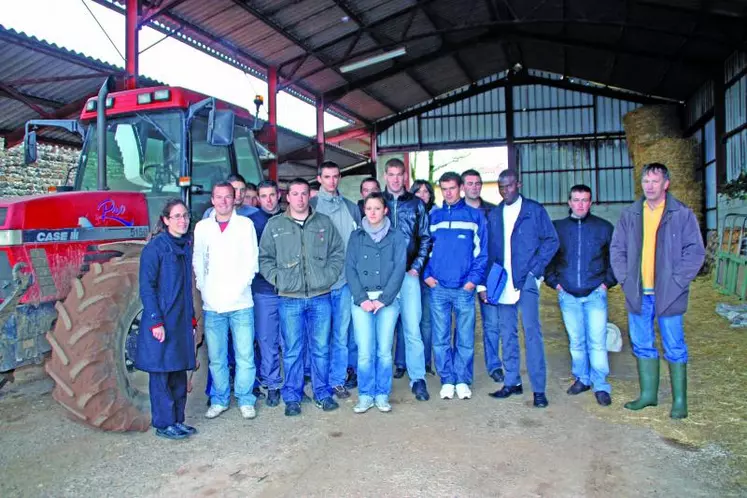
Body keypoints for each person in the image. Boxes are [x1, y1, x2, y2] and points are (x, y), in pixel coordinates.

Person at [610, 163, 705, 419]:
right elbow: (617, 249)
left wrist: (677, 281)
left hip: (669, 293)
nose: (649, 186)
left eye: (655, 181)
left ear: (666, 184)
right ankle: (648, 396)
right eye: (645, 182)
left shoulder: (681, 214)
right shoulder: (631, 214)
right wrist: (626, 278)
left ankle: (679, 401)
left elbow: (695, 252)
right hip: (639, 292)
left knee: (674, 345)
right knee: (642, 343)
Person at [259, 178, 345, 416]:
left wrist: (326, 277)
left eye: (304, 194)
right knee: (293, 349)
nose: (299, 198)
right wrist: (280, 280)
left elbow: (337, 253)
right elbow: (264, 259)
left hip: (320, 296)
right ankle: (292, 396)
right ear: (287, 197)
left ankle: (322, 393)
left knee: (320, 348)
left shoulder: (323, 223)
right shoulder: (275, 226)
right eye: (295, 194)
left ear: (310, 196)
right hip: (289, 298)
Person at [483, 169, 558, 408]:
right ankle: (512, 381)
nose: (506, 190)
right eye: (501, 187)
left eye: (509, 185)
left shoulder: (534, 211)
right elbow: (489, 251)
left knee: (532, 333)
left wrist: (535, 271)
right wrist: (487, 282)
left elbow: (551, 240)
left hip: (525, 280)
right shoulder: (495, 214)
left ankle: (538, 389)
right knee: (508, 333)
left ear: (519, 184)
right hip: (502, 281)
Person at [545, 185, 617, 406]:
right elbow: (548, 258)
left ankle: (601, 384)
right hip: (568, 294)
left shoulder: (603, 228)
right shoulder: (557, 228)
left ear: (591, 202)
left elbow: (615, 258)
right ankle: (582, 378)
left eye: (585, 200)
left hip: (595, 293)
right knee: (576, 341)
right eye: (576, 200)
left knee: (596, 340)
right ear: (569, 202)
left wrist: (606, 283)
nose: (580, 204)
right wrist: (555, 283)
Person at [193, 182, 260, 420]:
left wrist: (235, 291)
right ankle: (219, 399)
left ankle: (245, 399)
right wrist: (204, 289)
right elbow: (198, 261)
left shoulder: (245, 225)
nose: (223, 202)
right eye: (218, 197)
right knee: (217, 357)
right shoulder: (202, 228)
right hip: (213, 305)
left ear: (235, 200)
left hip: (241, 303)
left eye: (228, 197)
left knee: (244, 356)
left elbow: (252, 262)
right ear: (212, 200)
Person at [424, 172, 487, 400]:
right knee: (440, 338)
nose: (448, 192)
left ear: (460, 188)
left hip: (464, 289)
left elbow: (482, 253)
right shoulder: (435, 217)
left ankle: (462, 379)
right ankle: (447, 379)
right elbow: (425, 249)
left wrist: (472, 281)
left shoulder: (474, 216)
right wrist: (427, 275)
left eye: (452, 188)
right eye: (444, 188)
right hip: (439, 288)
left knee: (465, 337)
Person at [138, 199, 197, 440]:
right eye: (177, 217)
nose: (182, 220)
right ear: (165, 220)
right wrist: (155, 321)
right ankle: (164, 423)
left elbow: (188, 288)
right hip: (162, 320)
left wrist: (192, 320)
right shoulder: (155, 249)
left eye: (185, 216)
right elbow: (147, 287)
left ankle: (178, 420)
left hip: (181, 320)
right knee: (161, 374)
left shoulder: (184, 246)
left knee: (178, 372)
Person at [346, 192, 407, 413]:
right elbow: (350, 269)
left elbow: (399, 269)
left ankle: (382, 393)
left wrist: (384, 299)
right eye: (368, 208)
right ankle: (365, 394)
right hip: (362, 300)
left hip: (387, 300)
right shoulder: (356, 236)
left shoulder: (396, 236)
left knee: (383, 350)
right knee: (364, 351)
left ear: (385, 210)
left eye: (377, 208)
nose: (372, 212)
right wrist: (362, 299)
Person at [310, 161, 362, 400]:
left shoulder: (351, 208)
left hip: (343, 283)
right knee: (319, 337)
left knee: (341, 336)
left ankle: (337, 381)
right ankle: (318, 382)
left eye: (335, 176)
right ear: (319, 178)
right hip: (318, 285)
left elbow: (360, 244)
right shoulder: (310, 206)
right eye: (327, 177)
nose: (332, 181)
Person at [382, 158, 431, 402]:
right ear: (385, 176)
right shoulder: (375, 203)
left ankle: (418, 379)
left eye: (399, 174)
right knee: (384, 332)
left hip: (409, 277)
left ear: (405, 177)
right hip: (383, 280)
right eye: (391, 174)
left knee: (413, 329)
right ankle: (381, 383)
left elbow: (425, 238)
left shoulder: (416, 204)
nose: (395, 179)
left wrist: (416, 268)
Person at [461, 169, 503, 384]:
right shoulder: (454, 210)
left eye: (478, 183)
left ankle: (494, 365)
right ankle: (461, 370)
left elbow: (496, 246)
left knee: (492, 324)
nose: (474, 187)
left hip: (487, 276)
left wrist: (490, 279)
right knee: (462, 326)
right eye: (470, 183)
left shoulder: (493, 212)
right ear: (463, 187)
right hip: (462, 279)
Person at [394, 179, 436, 375]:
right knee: (405, 321)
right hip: (405, 273)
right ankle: (401, 362)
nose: (422, 195)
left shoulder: (435, 214)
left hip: (421, 274)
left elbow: (428, 243)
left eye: (426, 192)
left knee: (424, 321)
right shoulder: (399, 207)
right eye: (418, 192)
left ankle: (424, 363)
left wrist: (419, 269)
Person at [248, 180, 283, 407]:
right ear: (258, 199)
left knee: (291, 341)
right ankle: (272, 385)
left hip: (290, 290)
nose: (269, 200)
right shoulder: (250, 224)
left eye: (272, 195)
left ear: (279, 195)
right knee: (267, 341)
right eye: (264, 196)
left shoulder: (288, 219)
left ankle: (293, 385)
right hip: (263, 290)